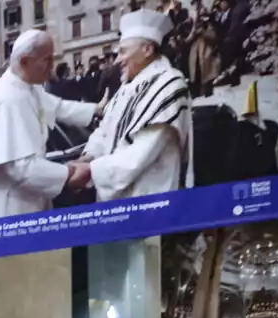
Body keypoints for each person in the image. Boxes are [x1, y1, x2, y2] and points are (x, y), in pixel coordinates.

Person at [0, 29, 106, 220]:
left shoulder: (26, 86)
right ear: (25, 62)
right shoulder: (7, 98)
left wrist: (97, 109)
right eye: (47, 60)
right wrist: (70, 172)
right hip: (11, 206)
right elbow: (22, 169)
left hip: (31, 195)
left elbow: (58, 107)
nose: (52, 67)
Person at [77, 9, 192, 202]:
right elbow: (104, 131)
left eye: (123, 51)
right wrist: (87, 157)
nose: (117, 60)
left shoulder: (170, 85)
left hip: (148, 200)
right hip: (114, 199)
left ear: (147, 49)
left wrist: (90, 171)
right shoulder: (126, 88)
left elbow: (139, 155)